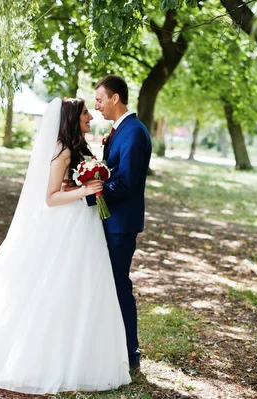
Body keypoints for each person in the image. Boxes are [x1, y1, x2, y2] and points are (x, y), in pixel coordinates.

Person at [0, 97, 132, 394]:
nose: (90, 117)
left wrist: (78, 187)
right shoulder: (63, 151)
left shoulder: (76, 147)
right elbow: (50, 198)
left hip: (83, 225)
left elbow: (63, 188)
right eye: (85, 113)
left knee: (83, 287)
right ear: (72, 117)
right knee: (57, 285)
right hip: (68, 225)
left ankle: (80, 355)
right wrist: (83, 189)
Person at [89, 75, 152, 375]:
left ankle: (131, 353)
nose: (97, 105)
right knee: (110, 285)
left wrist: (92, 192)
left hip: (121, 225)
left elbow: (126, 183)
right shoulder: (120, 130)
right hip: (111, 221)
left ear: (116, 98)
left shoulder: (134, 133)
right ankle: (114, 347)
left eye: (100, 99)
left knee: (119, 286)